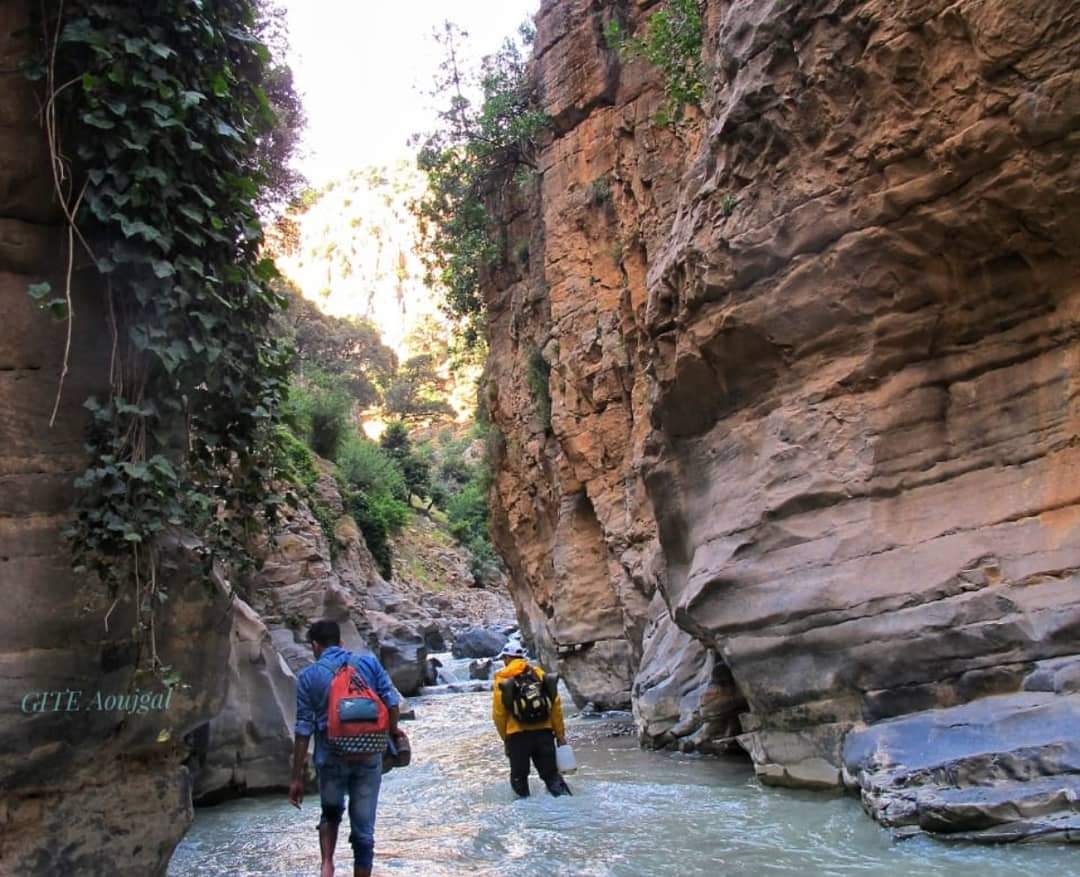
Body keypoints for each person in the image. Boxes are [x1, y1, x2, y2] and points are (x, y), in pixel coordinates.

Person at [289, 619, 405, 877]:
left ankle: (327, 864)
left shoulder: (309, 677)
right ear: (341, 642)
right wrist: (392, 734)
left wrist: (296, 777)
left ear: (314, 646)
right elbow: (392, 702)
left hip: (330, 757)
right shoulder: (368, 663)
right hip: (369, 755)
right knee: (364, 832)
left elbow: (303, 729)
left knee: (330, 814)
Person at [492, 642, 571, 797]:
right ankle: (568, 807)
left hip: (517, 736)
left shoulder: (502, 680)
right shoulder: (539, 674)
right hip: (544, 733)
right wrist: (560, 736)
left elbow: (498, 715)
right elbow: (555, 707)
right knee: (552, 776)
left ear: (507, 658)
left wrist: (505, 739)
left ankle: (527, 815)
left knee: (519, 778)